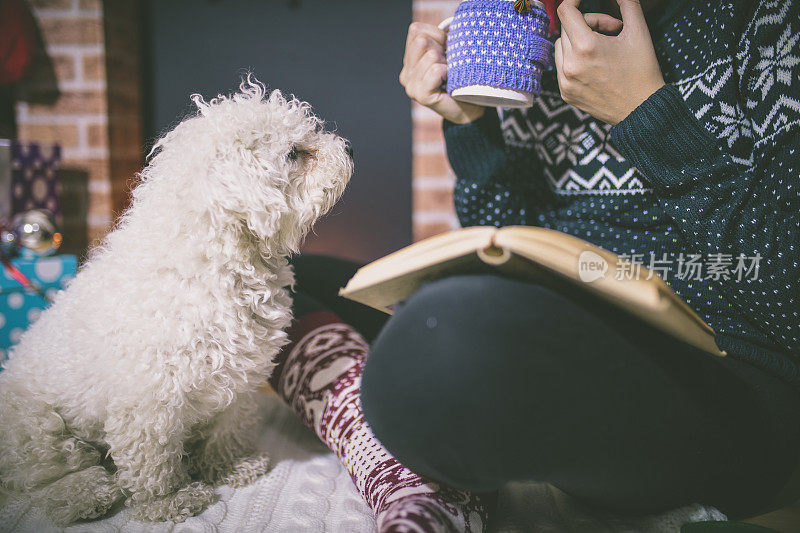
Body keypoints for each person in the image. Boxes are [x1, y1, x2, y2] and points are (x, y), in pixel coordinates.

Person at [290, 0, 800, 521]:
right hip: (567, 327)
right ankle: (386, 451)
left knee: (436, 347)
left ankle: (416, 454)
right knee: (281, 285)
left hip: (728, 379)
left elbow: (788, 302)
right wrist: (471, 125)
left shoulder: (760, 19)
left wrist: (644, 114)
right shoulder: (536, 38)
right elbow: (514, 238)